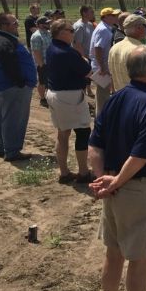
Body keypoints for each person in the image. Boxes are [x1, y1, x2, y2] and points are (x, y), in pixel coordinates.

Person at [88, 46, 146, 291]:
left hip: (113, 186)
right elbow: (141, 155)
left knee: (114, 254)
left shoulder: (115, 99)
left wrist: (102, 177)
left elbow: (95, 144)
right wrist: (115, 183)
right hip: (139, 188)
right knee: (141, 259)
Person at [45, 19, 93, 184]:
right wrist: (84, 61)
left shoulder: (52, 47)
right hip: (69, 96)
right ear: (61, 32)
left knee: (63, 133)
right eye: (70, 30)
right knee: (82, 132)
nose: (73, 33)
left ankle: (64, 172)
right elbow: (87, 71)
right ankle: (84, 172)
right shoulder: (68, 52)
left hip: (54, 93)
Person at [0, 13, 37, 161]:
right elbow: (9, 63)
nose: (17, 25)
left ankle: (2, 147)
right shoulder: (3, 42)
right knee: (14, 119)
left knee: (3, 117)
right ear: (4, 26)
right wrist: (20, 81)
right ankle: (12, 151)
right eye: (14, 23)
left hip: (3, 86)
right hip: (12, 87)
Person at [108, 14, 146, 91]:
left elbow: (111, 76)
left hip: (120, 96)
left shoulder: (114, 48)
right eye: (145, 26)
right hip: (137, 98)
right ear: (139, 28)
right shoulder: (140, 50)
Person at [89, 8, 119, 112]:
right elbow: (98, 48)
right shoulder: (103, 30)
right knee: (103, 96)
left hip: (102, 66)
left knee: (104, 94)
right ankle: (101, 119)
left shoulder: (105, 28)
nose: (116, 17)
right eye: (113, 15)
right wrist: (102, 67)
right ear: (105, 17)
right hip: (101, 68)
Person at [72, 5, 96, 99]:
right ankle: (82, 98)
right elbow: (77, 44)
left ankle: (88, 90)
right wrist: (84, 57)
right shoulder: (79, 26)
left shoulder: (89, 24)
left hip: (89, 55)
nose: (93, 14)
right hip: (83, 56)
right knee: (83, 77)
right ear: (84, 13)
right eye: (91, 12)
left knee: (88, 75)